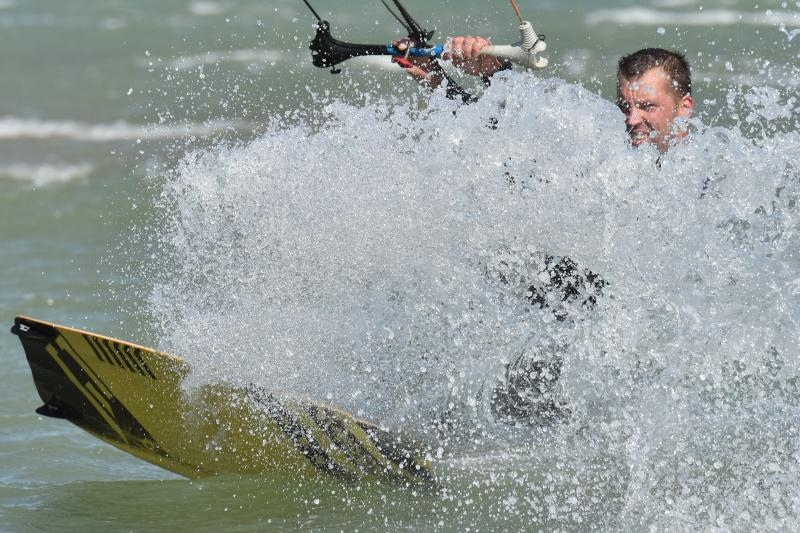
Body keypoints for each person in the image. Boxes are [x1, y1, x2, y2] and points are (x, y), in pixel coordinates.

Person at [394, 37, 694, 152]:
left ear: (684, 108)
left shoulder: (706, 177)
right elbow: (499, 133)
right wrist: (492, 72)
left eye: (647, 107)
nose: (631, 119)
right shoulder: (604, 151)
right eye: (624, 105)